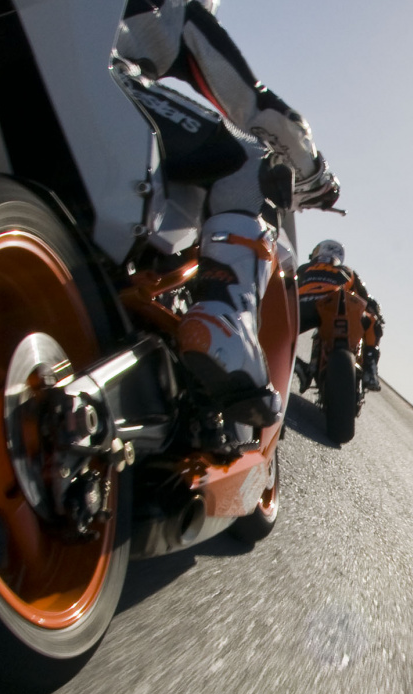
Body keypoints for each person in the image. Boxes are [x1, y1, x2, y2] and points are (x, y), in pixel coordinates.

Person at [115, 0, 341, 428]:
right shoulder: (164, 9)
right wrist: (313, 172)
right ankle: (224, 316)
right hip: (93, 85)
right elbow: (255, 107)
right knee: (250, 161)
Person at [296, 239, 385, 390]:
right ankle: (370, 369)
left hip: (302, 306)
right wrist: (377, 315)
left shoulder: (303, 269)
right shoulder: (347, 271)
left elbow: (286, 288)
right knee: (372, 322)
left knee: (276, 337)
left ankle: (296, 365)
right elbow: (366, 299)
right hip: (333, 305)